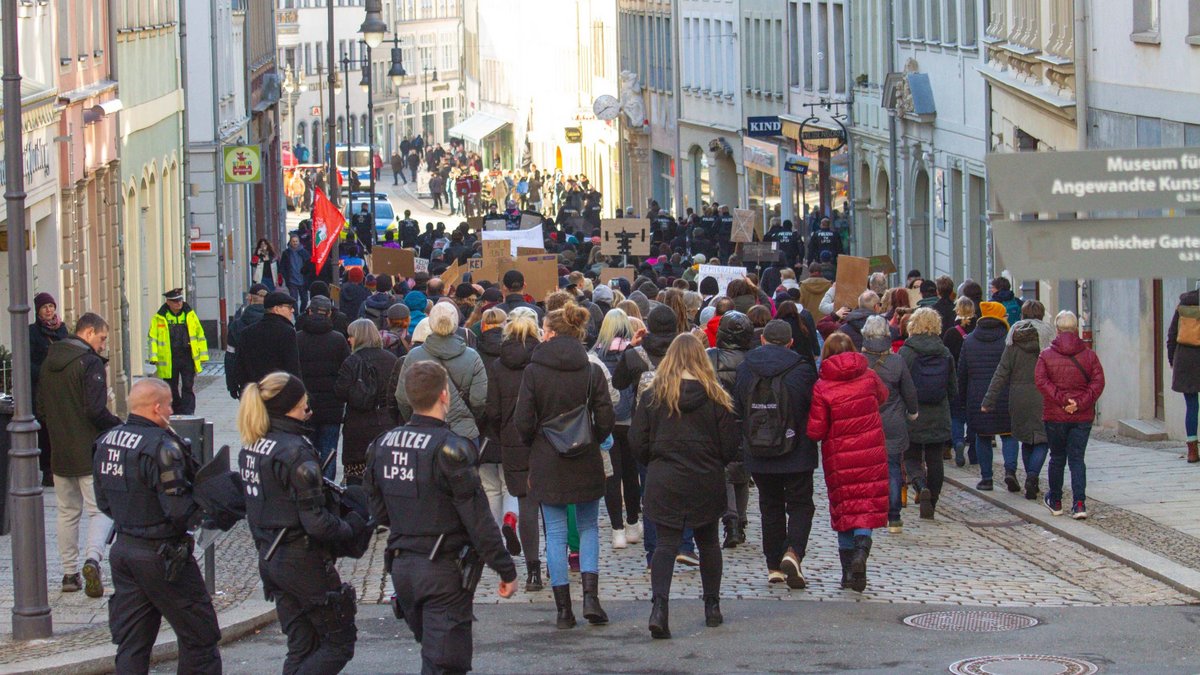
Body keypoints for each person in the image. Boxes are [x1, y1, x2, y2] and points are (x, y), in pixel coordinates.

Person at [364, 361, 518, 675]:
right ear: (445, 395)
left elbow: (378, 511)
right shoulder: (451, 450)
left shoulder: (381, 445)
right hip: (442, 570)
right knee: (447, 663)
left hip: (403, 567)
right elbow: (478, 520)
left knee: (435, 658)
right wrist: (505, 568)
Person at [237, 372, 370, 673]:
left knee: (301, 645)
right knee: (338, 644)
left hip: (271, 558)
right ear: (291, 408)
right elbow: (317, 522)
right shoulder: (296, 452)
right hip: (303, 561)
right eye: (305, 407)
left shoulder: (253, 447)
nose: (308, 412)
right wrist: (353, 525)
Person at [94, 379, 226, 673]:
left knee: (132, 644)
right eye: (168, 405)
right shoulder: (163, 447)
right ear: (156, 408)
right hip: (164, 556)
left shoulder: (107, 441)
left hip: (125, 550)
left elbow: (103, 502)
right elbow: (178, 510)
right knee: (200, 637)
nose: (171, 410)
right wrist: (206, 503)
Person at [630, 333, 739, 639]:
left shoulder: (654, 396)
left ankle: (660, 607)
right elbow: (730, 445)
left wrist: (655, 459)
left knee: (665, 544)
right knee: (708, 542)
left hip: (665, 477)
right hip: (705, 477)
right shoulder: (716, 396)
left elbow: (637, 440)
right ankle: (712, 605)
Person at [515, 304, 615, 629]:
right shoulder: (591, 370)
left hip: (547, 458)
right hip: (585, 457)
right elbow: (606, 418)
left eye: (544, 329)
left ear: (553, 332)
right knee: (588, 529)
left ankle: (563, 611)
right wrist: (592, 438)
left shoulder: (533, 371)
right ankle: (590, 598)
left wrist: (537, 443)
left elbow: (523, 421)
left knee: (556, 533)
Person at [38, 312, 122, 596]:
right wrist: (119, 425)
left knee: (67, 512)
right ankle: (92, 559)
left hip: (59, 450)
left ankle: (69, 573)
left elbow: (41, 407)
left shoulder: (50, 361)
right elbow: (95, 410)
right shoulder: (89, 363)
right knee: (99, 510)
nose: (102, 345)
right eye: (101, 339)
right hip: (88, 450)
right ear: (88, 333)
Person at [732, 320, 819, 588]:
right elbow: (813, 407)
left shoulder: (746, 368)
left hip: (759, 450)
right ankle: (793, 552)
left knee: (770, 506)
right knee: (801, 504)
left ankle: (773, 566)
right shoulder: (802, 369)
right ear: (791, 342)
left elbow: (737, 407)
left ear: (762, 340)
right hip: (797, 449)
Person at [806, 333, 888, 593]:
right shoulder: (869, 376)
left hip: (840, 456)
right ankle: (861, 553)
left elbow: (816, 430)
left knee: (844, 510)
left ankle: (847, 574)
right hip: (871, 452)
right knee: (865, 507)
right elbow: (883, 396)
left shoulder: (823, 386)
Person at [485, 308, 546, 591]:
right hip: (545, 437)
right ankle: (558, 563)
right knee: (552, 506)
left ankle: (533, 570)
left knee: (526, 503)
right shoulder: (544, 362)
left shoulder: (498, 366)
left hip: (512, 440)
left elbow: (493, 411)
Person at [1035, 310, 1106, 519]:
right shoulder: (1089, 355)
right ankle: (1079, 503)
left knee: (1057, 458)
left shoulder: (1046, 355)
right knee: (1077, 459)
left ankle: (1056, 500)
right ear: (1076, 329)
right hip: (1081, 416)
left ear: (1057, 329)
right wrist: (1080, 403)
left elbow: (1041, 381)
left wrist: (1062, 401)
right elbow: (1098, 382)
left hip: (1056, 415)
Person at [982, 300, 1055, 500]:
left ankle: (1029, 477)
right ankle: (1032, 476)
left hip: (1018, 396)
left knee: (1025, 439)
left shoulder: (1013, 338)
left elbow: (1002, 372)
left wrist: (989, 400)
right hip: (1043, 395)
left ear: (1022, 315)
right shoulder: (1049, 337)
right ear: (1041, 314)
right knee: (1042, 439)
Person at [396, 303, 488, 448]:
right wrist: (468, 417)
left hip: (423, 434)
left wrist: (414, 418)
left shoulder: (414, 356)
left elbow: (402, 398)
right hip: (463, 433)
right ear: (456, 322)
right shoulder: (472, 356)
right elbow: (479, 400)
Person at [592, 309, 643, 549]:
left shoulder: (596, 355)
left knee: (612, 476)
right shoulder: (635, 354)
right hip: (632, 421)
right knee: (632, 474)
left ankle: (617, 529)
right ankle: (633, 523)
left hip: (608, 421)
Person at [863, 315, 919, 533]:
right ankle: (894, 516)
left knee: (867, 469)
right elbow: (909, 391)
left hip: (867, 422)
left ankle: (870, 509)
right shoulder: (897, 361)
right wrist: (913, 412)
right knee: (893, 467)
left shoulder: (860, 361)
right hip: (893, 421)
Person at [705, 311, 755, 548]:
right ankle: (739, 519)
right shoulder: (754, 358)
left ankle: (732, 520)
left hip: (719, 420)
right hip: (747, 421)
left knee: (726, 471)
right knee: (742, 471)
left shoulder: (711, 356)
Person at [334, 320, 399, 485]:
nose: (348, 340)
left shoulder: (351, 361)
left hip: (357, 427)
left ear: (359, 337)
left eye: (351, 336)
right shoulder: (391, 359)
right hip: (386, 424)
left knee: (357, 481)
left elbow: (340, 392)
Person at [959, 301, 1015, 492]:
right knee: (1009, 435)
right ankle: (1010, 471)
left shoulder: (970, 340)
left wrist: (963, 401)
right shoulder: (1008, 340)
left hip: (978, 397)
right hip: (1006, 395)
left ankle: (987, 478)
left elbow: (962, 373)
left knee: (982, 437)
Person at [298, 296, 351, 480]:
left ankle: (308, 488)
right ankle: (328, 493)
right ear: (329, 314)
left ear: (309, 312)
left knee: (305, 453)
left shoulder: (297, 339)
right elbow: (346, 371)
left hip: (304, 407)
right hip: (332, 407)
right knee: (329, 453)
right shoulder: (338, 340)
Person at [148, 288, 209, 415]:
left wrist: (203, 355)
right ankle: (175, 409)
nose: (178, 303)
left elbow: (200, 335)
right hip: (169, 357)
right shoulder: (160, 317)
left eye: (180, 300)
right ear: (168, 302)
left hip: (187, 356)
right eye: (175, 301)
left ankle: (188, 411)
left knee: (188, 385)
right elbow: (153, 338)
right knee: (171, 387)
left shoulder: (190, 315)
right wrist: (153, 356)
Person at [30, 291, 68, 486]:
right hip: (42, 391)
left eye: (51, 306)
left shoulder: (62, 330)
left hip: (61, 388)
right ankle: (47, 471)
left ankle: (61, 467)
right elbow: (28, 362)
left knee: (60, 429)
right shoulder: (32, 332)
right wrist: (45, 372)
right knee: (44, 430)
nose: (49, 310)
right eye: (45, 307)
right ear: (38, 311)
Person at [234, 292, 301, 393]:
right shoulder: (287, 332)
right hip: (279, 393)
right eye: (289, 307)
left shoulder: (247, 332)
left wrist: (244, 391)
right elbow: (292, 367)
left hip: (254, 393)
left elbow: (240, 366)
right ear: (276, 309)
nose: (293, 310)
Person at [942, 295, 977, 466]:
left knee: (956, 416)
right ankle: (973, 447)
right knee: (974, 416)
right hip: (975, 379)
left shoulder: (950, 333)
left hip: (955, 379)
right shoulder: (978, 330)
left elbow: (945, 357)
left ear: (957, 311)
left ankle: (957, 442)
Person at [1167, 287, 1200, 462]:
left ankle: (1192, 450)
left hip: (1185, 360)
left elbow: (1172, 334)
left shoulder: (1183, 304)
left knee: (1192, 406)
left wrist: (1172, 359)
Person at [226, 284, 268, 399]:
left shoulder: (236, 325)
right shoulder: (275, 324)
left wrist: (232, 385)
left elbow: (230, 356)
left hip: (246, 382)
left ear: (249, 298)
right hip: (270, 382)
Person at [279, 235, 310, 311]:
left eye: (296, 241)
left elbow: (309, 264)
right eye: (293, 241)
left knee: (305, 299)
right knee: (293, 299)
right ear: (290, 242)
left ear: (299, 242)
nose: (295, 243)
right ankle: (296, 316)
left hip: (303, 280)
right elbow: (282, 266)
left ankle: (302, 312)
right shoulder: (286, 253)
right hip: (291, 280)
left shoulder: (304, 252)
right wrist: (284, 276)